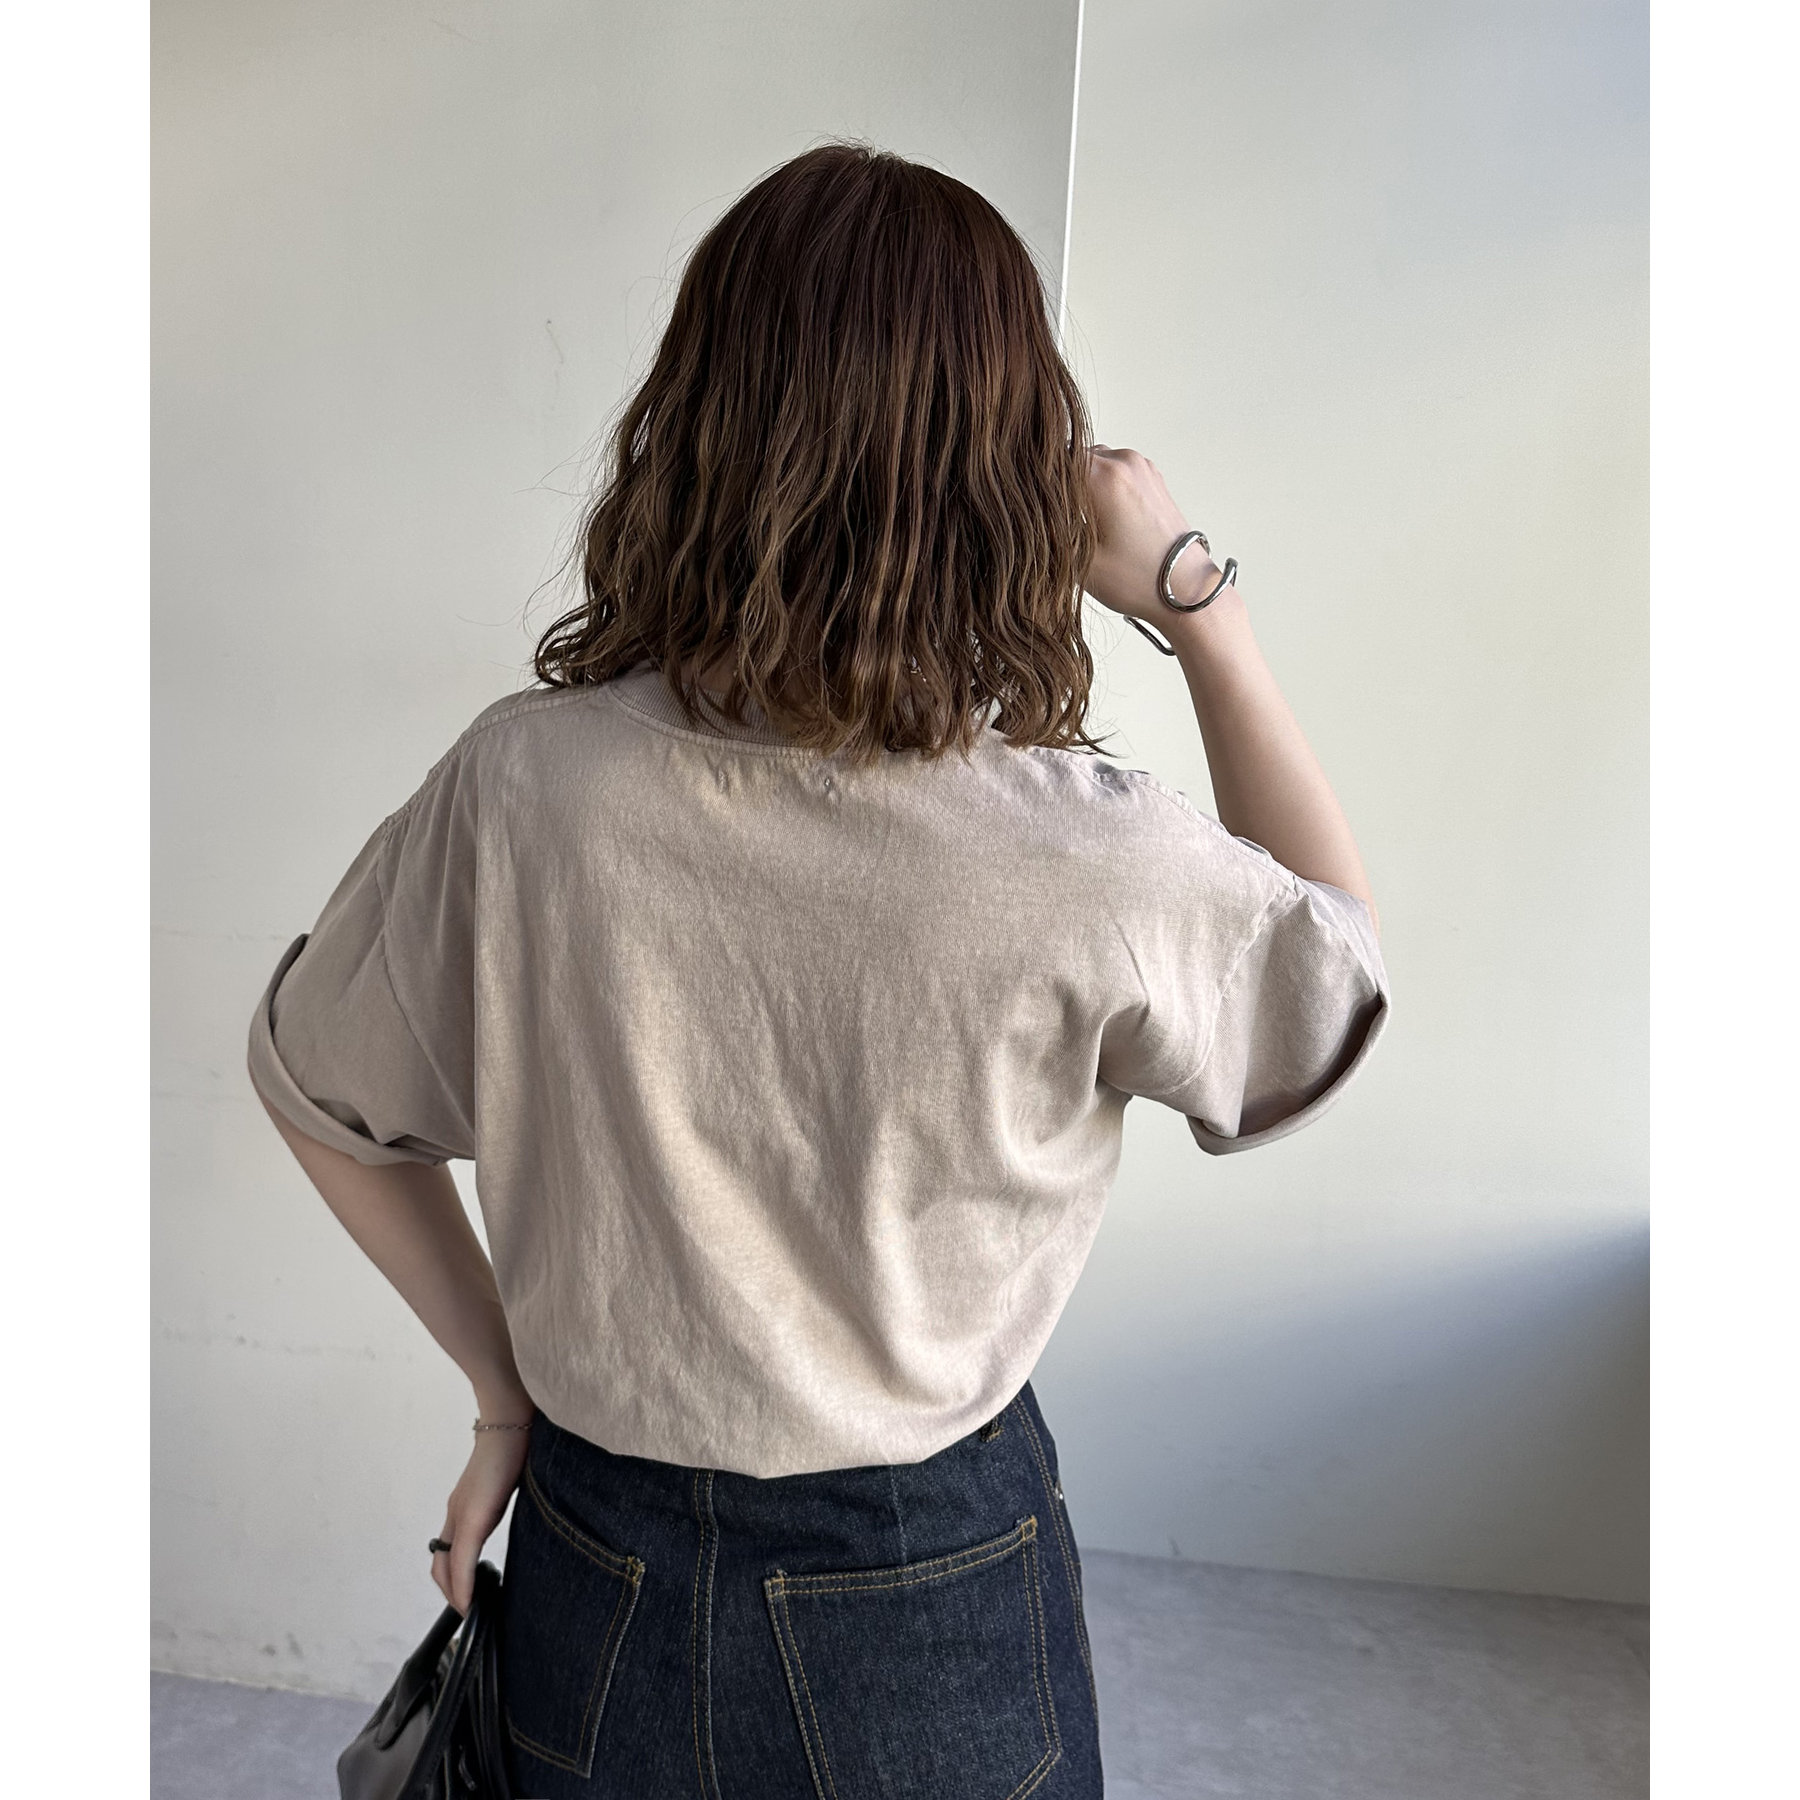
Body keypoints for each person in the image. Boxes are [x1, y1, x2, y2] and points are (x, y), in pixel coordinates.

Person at [246, 141, 1388, 1800]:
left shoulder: (524, 786)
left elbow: (320, 1094)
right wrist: (1195, 600)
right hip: (933, 1580)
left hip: (596, 1560)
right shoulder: (1083, 850)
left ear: (695, 426)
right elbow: (1330, 981)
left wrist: (503, 1390)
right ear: (1015, 470)